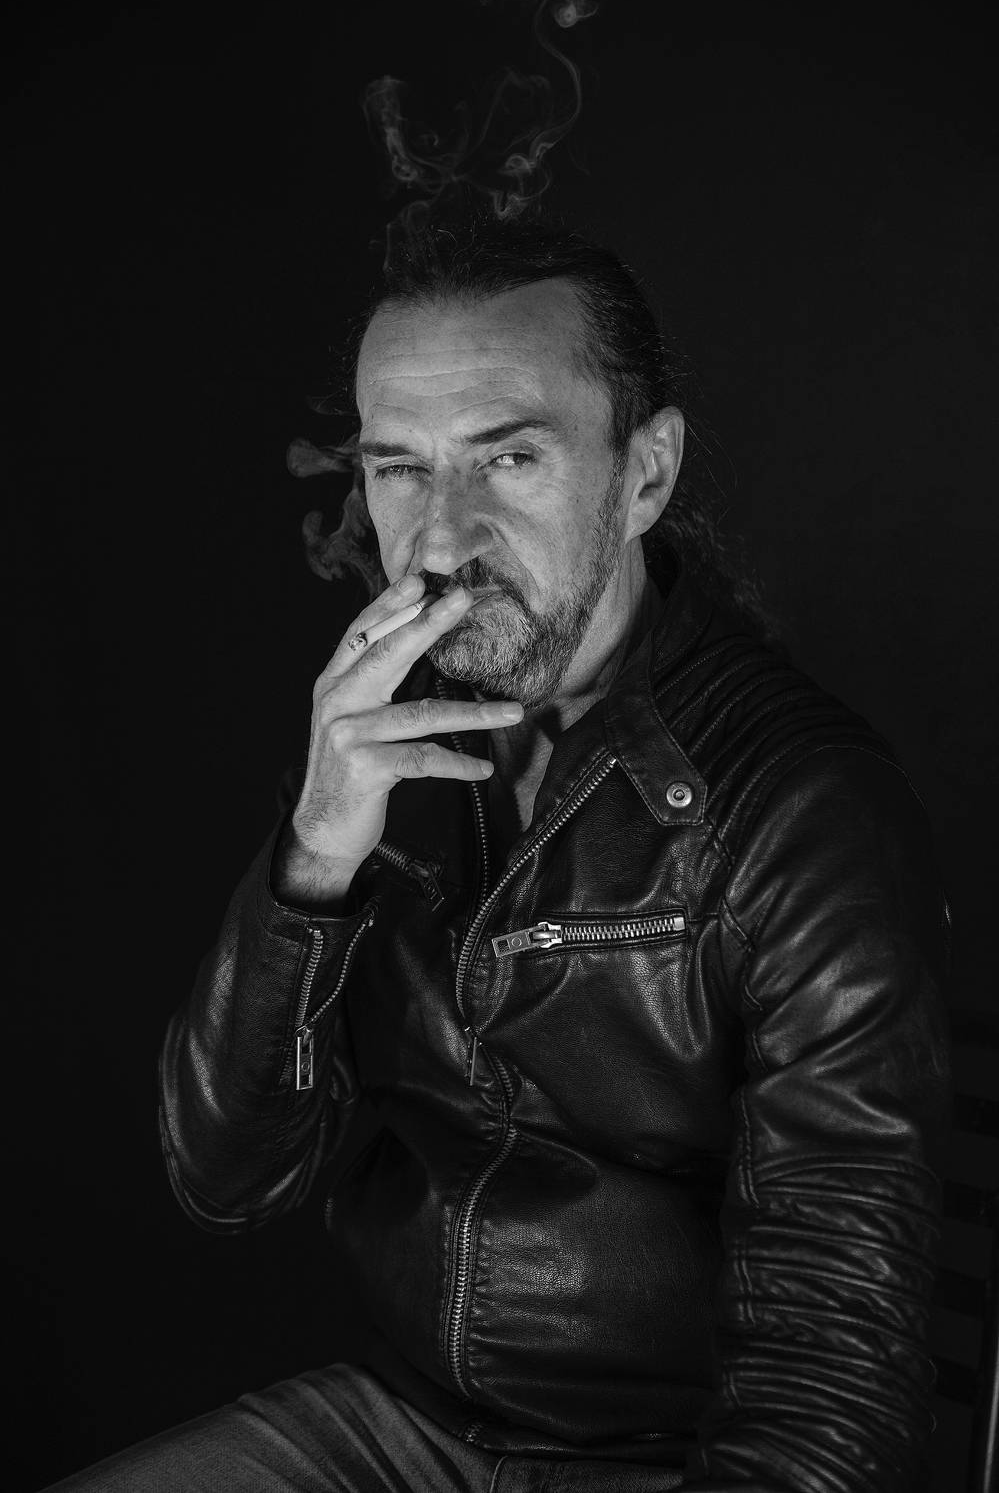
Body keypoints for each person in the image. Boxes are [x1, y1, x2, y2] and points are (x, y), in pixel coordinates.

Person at [52, 215, 951, 1492]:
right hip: (400, 1432)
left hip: (666, 1464)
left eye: (510, 457)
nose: (439, 541)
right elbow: (228, 1176)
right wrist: (314, 860)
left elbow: (831, 1380)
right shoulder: (384, 743)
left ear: (644, 476)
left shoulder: (802, 808)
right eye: (399, 468)